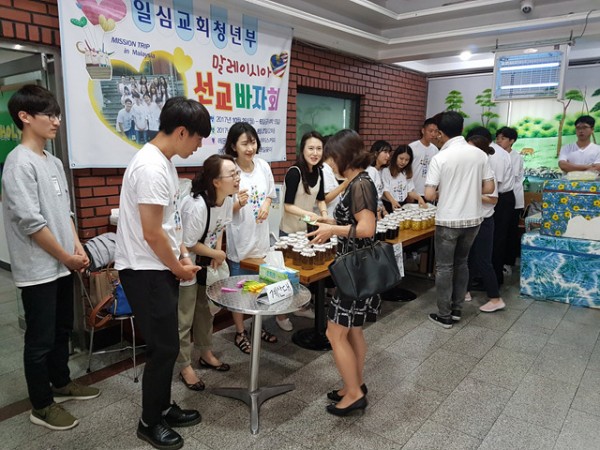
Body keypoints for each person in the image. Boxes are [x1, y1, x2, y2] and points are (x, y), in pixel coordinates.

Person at [115, 97, 210, 450]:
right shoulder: (151, 168)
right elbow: (152, 233)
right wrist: (178, 268)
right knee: (163, 347)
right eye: (198, 138)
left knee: (168, 346)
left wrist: (182, 255)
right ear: (182, 131)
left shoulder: (164, 163)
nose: (199, 145)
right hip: (145, 270)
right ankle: (149, 422)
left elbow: (170, 224)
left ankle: (163, 407)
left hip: (159, 267)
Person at [3, 85, 100, 431]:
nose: (56, 120)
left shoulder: (53, 161)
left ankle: (61, 383)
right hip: (38, 269)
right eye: (49, 114)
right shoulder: (18, 163)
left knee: (62, 330)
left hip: (62, 264)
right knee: (40, 340)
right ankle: (41, 405)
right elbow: (31, 223)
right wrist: (65, 256)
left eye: (57, 114)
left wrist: (77, 247)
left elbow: (65, 213)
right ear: (25, 117)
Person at [307, 129, 378, 416]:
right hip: (358, 268)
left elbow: (367, 228)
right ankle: (354, 384)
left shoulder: (360, 184)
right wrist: (331, 223)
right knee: (353, 330)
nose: (329, 163)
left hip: (355, 270)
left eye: (331, 158)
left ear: (343, 156)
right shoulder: (359, 181)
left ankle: (354, 394)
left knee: (334, 332)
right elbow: (356, 222)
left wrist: (332, 229)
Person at [425, 112, 495, 329]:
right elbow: (489, 188)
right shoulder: (479, 154)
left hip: (448, 220)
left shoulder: (440, 157)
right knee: (462, 263)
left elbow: (429, 194)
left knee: (444, 267)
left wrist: (446, 191)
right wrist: (469, 189)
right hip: (473, 219)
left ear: (439, 133)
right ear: (462, 129)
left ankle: (444, 315)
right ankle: (457, 310)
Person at [177, 155, 237, 392]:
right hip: (186, 263)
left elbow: (220, 228)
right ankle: (184, 365)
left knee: (205, 311)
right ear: (216, 182)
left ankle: (205, 352)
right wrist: (216, 253)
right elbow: (188, 242)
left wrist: (215, 253)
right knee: (184, 317)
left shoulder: (227, 200)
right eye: (232, 174)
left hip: (206, 262)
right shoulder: (197, 206)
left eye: (237, 173)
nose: (237, 178)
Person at [224, 122, 279, 354]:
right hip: (240, 242)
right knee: (239, 292)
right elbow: (221, 209)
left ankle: (257, 327)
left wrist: (266, 204)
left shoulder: (263, 166)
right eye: (244, 143)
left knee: (259, 288)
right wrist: (237, 204)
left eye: (253, 142)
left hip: (260, 241)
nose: (250, 148)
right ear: (233, 146)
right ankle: (240, 332)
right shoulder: (229, 170)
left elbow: (270, 194)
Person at [469, 126, 515, 286]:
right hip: (490, 197)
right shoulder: (488, 154)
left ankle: (491, 279)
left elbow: (493, 186)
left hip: (500, 198)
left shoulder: (494, 156)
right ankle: (480, 277)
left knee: (494, 241)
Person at [464, 135, 505, 313]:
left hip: (484, 221)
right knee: (469, 258)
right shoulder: (473, 169)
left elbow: (493, 199)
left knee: (483, 261)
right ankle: (465, 291)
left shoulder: (488, 172)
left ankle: (495, 298)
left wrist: (472, 193)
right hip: (472, 220)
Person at [496, 126, 524, 275]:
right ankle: (498, 262)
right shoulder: (497, 154)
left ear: (512, 141)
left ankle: (508, 263)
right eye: (498, 138)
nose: (499, 141)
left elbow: (509, 177)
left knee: (510, 232)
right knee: (500, 232)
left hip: (513, 198)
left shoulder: (515, 157)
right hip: (500, 198)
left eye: (503, 138)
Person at [381, 145, 427, 212]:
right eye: (401, 158)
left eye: (407, 160)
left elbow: (409, 191)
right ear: (395, 157)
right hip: (389, 204)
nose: (403, 162)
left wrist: (419, 197)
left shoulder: (406, 172)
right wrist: (393, 201)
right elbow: (385, 190)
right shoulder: (386, 171)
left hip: (403, 204)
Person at [409, 118, 439, 196]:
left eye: (436, 131)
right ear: (423, 131)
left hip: (428, 193)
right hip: (413, 192)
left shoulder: (435, 150)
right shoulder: (412, 147)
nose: (433, 134)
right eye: (430, 131)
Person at [366, 140, 392, 219]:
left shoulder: (380, 171)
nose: (388, 156)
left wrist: (384, 210)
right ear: (375, 153)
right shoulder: (371, 171)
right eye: (385, 152)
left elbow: (378, 196)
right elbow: (368, 197)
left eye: (389, 153)